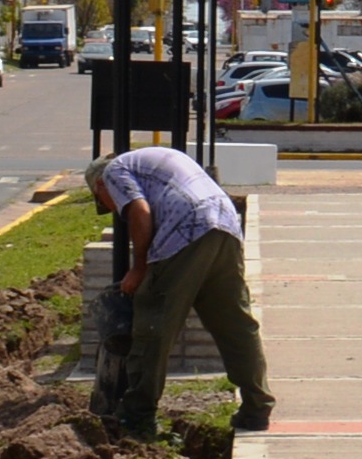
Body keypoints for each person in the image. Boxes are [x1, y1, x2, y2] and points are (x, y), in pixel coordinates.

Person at [87, 141, 273, 439]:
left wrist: (139, 267)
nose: (111, 209)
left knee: (152, 323)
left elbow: (139, 210)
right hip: (224, 225)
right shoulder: (156, 159)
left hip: (186, 228)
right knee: (235, 324)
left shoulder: (114, 172)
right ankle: (256, 406)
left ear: (99, 184)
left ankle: (137, 418)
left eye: (103, 201)